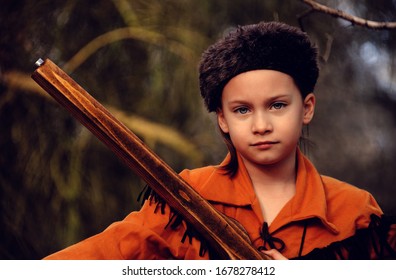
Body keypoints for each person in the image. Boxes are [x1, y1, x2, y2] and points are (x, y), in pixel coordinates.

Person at [44, 21, 395, 260]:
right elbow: (109, 253)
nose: (261, 125)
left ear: (306, 108)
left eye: (277, 105)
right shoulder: (187, 196)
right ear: (223, 119)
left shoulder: (356, 213)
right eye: (242, 110)